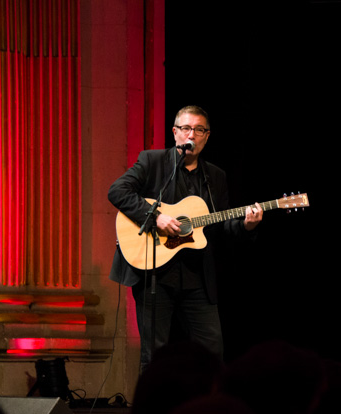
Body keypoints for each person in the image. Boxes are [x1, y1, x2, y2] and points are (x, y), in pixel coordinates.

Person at [108, 105, 263, 369]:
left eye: (199, 130)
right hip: (154, 275)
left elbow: (220, 226)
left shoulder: (215, 176)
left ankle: (205, 409)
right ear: (175, 132)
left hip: (197, 279)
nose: (192, 135)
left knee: (212, 352)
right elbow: (117, 191)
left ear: (207, 135)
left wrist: (246, 227)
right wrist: (155, 216)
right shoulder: (152, 161)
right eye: (186, 128)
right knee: (154, 356)